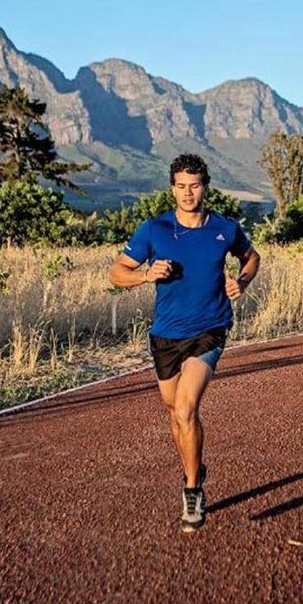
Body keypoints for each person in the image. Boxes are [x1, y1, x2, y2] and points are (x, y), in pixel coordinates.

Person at [108, 154, 261, 532]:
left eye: (194, 186)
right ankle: (194, 464)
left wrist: (241, 282)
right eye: (181, 186)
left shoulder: (225, 228)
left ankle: (192, 489)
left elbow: (251, 257)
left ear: (205, 187)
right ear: (172, 188)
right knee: (174, 411)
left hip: (210, 328)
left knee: (186, 408)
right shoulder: (154, 229)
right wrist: (145, 275)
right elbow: (116, 272)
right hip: (165, 334)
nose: (188, 193)